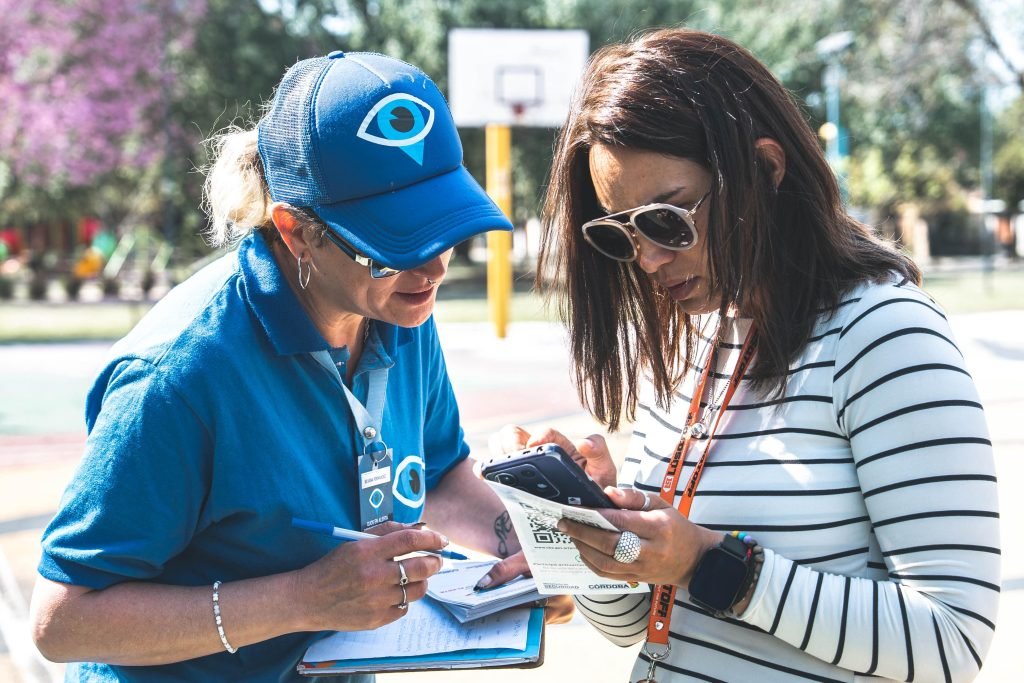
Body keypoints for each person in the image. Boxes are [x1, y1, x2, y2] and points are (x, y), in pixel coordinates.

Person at [29, 51, 553, 682]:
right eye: (392, 247)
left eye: (445, 229)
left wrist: (518, 544)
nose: (432, 267)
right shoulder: (178, 378)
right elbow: (63, 620)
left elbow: (435, 477)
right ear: (296, 231)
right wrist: (300, 599)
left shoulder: (400, 308)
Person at [498, 28, 1000, 683]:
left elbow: (951, 639)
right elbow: (638, 626)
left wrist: (712, 564)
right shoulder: (696, 337)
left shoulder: (883, 335)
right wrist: (601, 526)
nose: (648, 259)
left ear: (765, 170)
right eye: (622, 233)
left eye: (666, 219)